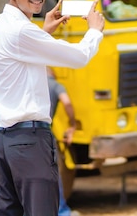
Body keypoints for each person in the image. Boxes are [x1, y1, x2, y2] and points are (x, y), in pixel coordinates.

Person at [0, 0, 104, 216]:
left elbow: (18, 60)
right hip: (29, 142)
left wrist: (44, 31)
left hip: (2, 143)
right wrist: (94, 31)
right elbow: (79, 57)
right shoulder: (22, 32)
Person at [47, 67, 80, 216]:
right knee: (53, 174)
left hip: (22, 134)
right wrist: (72, 124)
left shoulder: (30, 85)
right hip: (45, 133)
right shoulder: (56, 85)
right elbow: (67, 103)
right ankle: (61, 211)